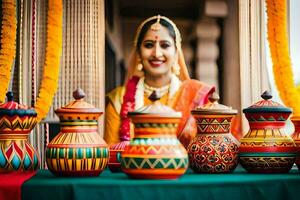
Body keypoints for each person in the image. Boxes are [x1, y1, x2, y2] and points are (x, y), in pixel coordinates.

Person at [104, 15, 215, 148]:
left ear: (176, 53)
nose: (156, 53)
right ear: (139, 53)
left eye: (165, 45)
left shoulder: (198, 96)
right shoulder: (119, 99)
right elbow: (112, 155)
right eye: (149, 45)